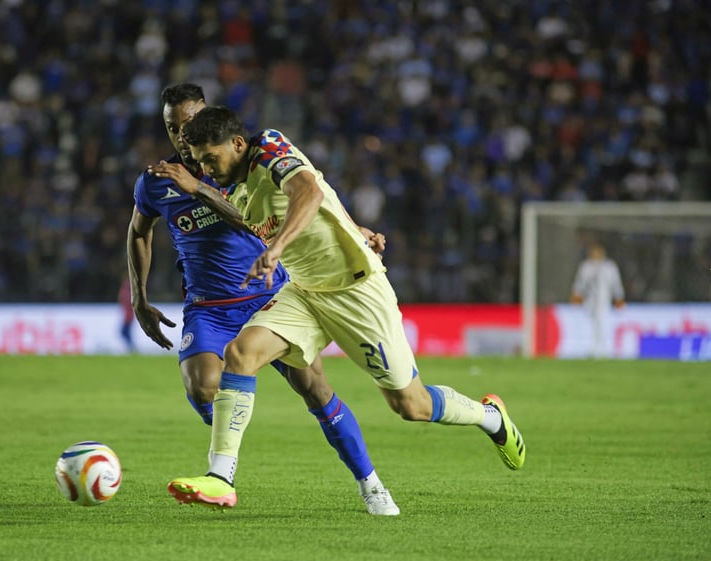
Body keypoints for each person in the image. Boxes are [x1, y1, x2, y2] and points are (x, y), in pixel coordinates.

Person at [152, 106, 526, 511]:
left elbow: (310, 190)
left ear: (237, 144)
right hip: (306, 292)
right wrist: (353, 227)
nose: (206, 167)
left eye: (211, 158)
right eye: (200, 161)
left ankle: (490, 417)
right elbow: (326, 198)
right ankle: (220, 477)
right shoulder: (231, 185)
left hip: (355, 290)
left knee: (410, 405)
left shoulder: (269, 149)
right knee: (240, 354)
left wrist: (276, 249)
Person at [127, 84, 399, 515]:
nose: (181, 134)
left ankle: (371, 484)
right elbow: (138, 231)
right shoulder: (156, 183)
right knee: (201, 386)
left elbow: (254, 218)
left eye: (189, 123)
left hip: (267, 296)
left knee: (317, 392)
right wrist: (139, 299)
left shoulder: (232, 167)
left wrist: (197, 188)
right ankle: (224, 465)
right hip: (207, 308)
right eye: (172, 127)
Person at [570, 242, 626, 357]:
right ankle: (592, 349)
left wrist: (619, 297)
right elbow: (580, 283)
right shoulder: (586, 266)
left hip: (605, 301)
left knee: (603, 323)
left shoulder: (609, 267)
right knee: (591, 324)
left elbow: (616, 284)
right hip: (589, 301)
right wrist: (576, 295)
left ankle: (605, 349)